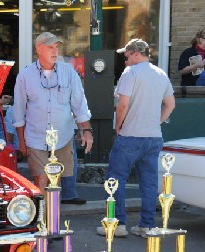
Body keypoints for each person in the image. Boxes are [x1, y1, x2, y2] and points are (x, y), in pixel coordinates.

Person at [97, 39, 175, 238]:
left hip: (130, 135)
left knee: (116, 179)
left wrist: (118, 126)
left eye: (126, 56)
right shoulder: (161, 74)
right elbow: (170, 104)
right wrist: (157, 122)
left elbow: (122, 104)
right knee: (149, 182)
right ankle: (146, 226)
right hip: (153, 136)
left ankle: (118, 224)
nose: (125, 61)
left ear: (135, 54)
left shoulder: (130, 73)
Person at [11, 32, 93, 195]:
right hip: (35, 137)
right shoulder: (25, 76)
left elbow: (80, 106)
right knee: (41, 179)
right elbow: (19, 112)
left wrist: (87, 131)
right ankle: (41, 217)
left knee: (56, 180)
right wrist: (21, 141)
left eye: (56, 47)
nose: (55, 51)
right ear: (39, 49)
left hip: (63, 137)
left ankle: (53, 218)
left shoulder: (69, 72)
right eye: (50, 47)